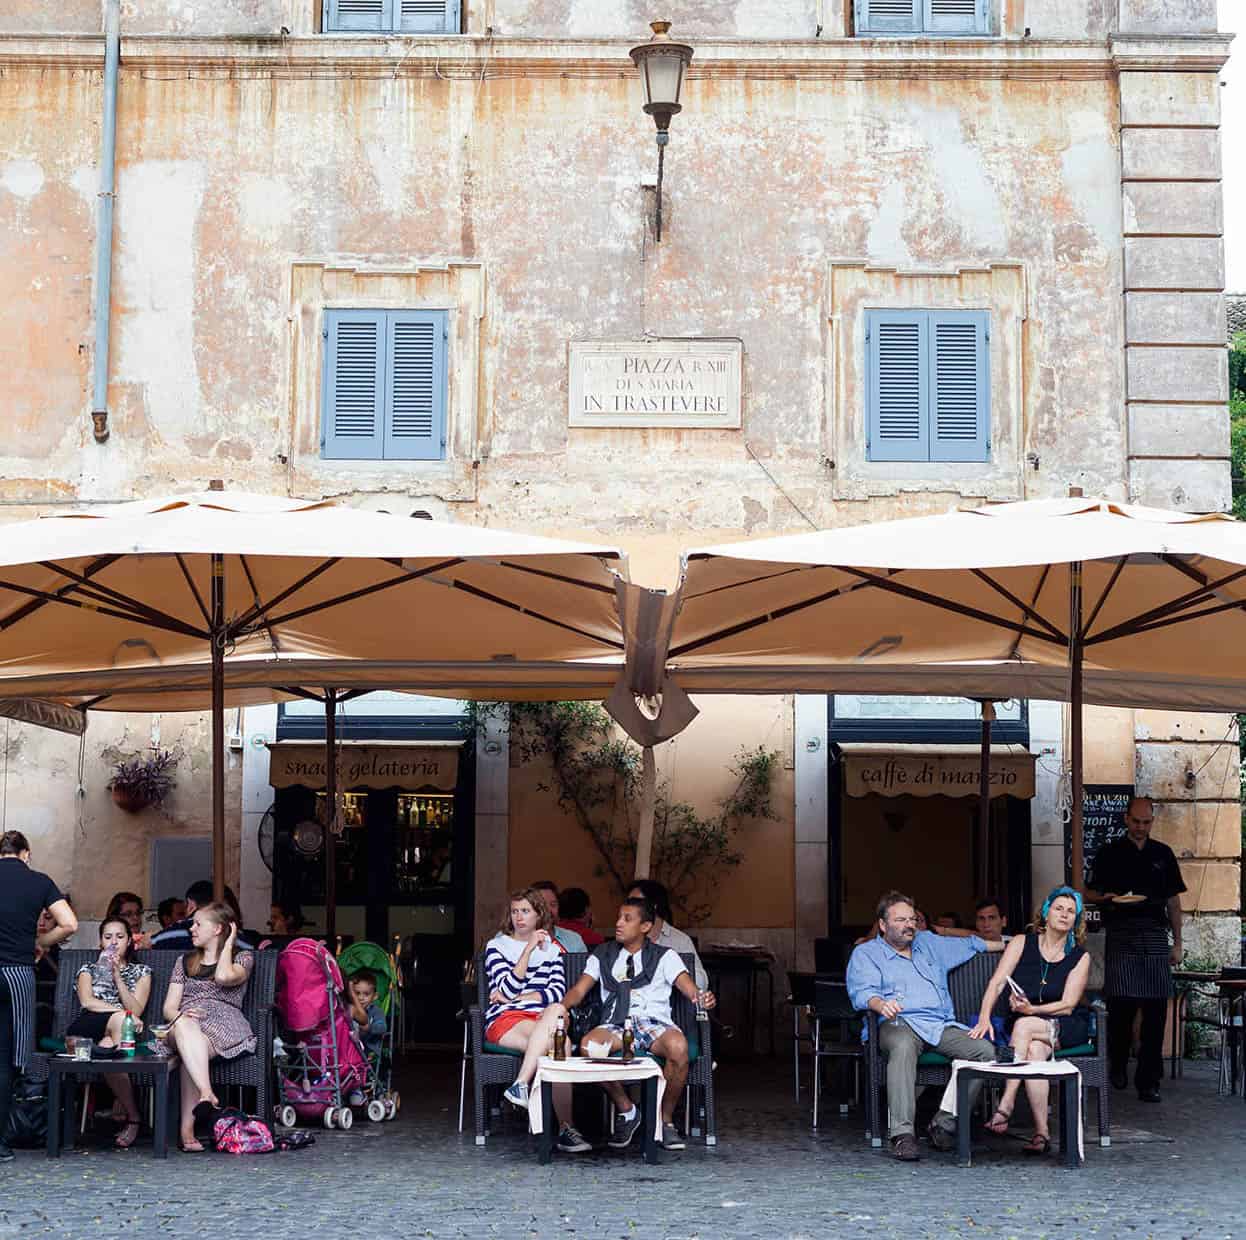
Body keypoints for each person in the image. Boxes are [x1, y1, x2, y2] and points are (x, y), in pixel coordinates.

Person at [846, 890, 1001, 1161]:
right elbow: (860, 992)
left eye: (912, 919)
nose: (909, 925)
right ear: (883, 925)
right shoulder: (866, 953)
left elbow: (975, 944)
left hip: (939, 1025)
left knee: (984, 1051)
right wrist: (879, 1004)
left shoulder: (928, 943)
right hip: (897, 1024)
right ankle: (902, 1134)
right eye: (901, 920)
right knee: (903, 1046)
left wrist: (1018, 945)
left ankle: (943, 1124)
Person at [563, 896, 717, 1152]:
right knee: (588, 1047)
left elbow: (689, 988)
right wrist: (560, 1008)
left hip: (653, 1022)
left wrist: (702, 997)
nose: (618, 924)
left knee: (679, 1048)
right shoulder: (603, 954)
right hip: (615, 1021)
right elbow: (579, 991)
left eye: (627, 919)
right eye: (618, 918)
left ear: (645, 926)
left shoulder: (666, 956)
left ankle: (663, 1121)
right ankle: (628, 1110)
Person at [970, 886, 1092, 1155]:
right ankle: (1042, 1133)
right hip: (1032, 1030)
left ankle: (1006, 1104)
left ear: (1076, 920)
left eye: (1071, 911)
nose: (1064, 914)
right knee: (1035, 1052)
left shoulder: (1080, 956)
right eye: (1059, 908)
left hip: (1065, 1024)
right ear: (1046, 913)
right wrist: (983, 1017)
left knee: (1024, 1026)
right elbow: (997, 982)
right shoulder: (1021, 942)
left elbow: (1068, 1005)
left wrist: (1030, 1012)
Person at [1085, 794, 1185, 1103]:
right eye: (1137, 821)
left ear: (1151, 821)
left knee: (1156, 1010)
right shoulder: (1108, 853)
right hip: (1121, 932)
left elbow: (1174, 901)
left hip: (1155, 933)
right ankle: (1117, 1064)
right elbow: (1087, 889)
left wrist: (1178, 942)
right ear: (1126, 819)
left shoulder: (1163, 854)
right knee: (1121, 1008)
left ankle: (1149, 1081)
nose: (1141, 827)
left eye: (1147, 822)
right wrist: (1104, 898)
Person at [487, 888, 588, 1155]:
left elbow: (555, 992)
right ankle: (567, 1129)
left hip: (543, 1016)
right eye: (515, 911)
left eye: (525, 911)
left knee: (556, 1012)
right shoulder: (496, 946)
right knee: (560, 1044)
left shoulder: (553, 950)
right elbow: (504, 991)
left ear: (538, 914)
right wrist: (529, 950)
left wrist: (518, 994)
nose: (519, 917)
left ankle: (521, 1084)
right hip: (507, 1019)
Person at [0, 831, 77, 1163]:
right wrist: (42, 942)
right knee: (13, 1058)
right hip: (17, 973)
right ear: (26, 854)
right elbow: (70, 924)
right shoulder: (39, 881)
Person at [159, 902, 256, 1152]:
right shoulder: (184, 961)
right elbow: (168, 1008)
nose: (191, 928)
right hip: (184, 1020)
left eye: (198, 924)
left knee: (189, 1048)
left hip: (223, 1023)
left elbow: (224, 977)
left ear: (218, 929)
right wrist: (180, 1014)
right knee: (184, 1027)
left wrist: (229, 942)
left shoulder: (243, 958)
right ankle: (207, 1094)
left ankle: (187, 1132)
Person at [65, 917, 152, 1148]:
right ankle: (130, 1113)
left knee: (107, 1044)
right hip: (88, 1025)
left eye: (120, 937)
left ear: (129, 942)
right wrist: (125, 1014)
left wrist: (117, 977)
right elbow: (87, 1001)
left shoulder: (141, 971)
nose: (114, 942)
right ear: (100, 942)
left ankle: (132, 1116)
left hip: (121, 1030)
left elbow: (136, 1009)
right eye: (108, 937)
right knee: (119, 1020)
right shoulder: (88, 969)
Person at [627, 879, 708, 990]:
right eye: (628, 903)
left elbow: (702, 983)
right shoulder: (627, 939)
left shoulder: (680, 940)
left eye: (635, 903)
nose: (629, 909)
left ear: (653, 906)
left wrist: (673, 971)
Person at [150, 879, 213, 949]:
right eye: (181, 914)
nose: (184, 918)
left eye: (183, 913)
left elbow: (148, 943)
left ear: (191, 905)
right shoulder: (222, 931)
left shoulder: (163, 938)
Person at [530, 881, 587, 953]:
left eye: (553, 905)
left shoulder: (574, 939)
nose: (548, 910)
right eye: (542, 905)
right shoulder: (518, 940)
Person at [345, 969, 387, 1056]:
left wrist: (369, 1028)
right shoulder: (350, 1009)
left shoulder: (376, 1011)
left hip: (369, 1051)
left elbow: (382, 1027)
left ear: (375, 996)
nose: (361, 998)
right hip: (350, 1051)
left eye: (366, 994)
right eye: (357, 993)